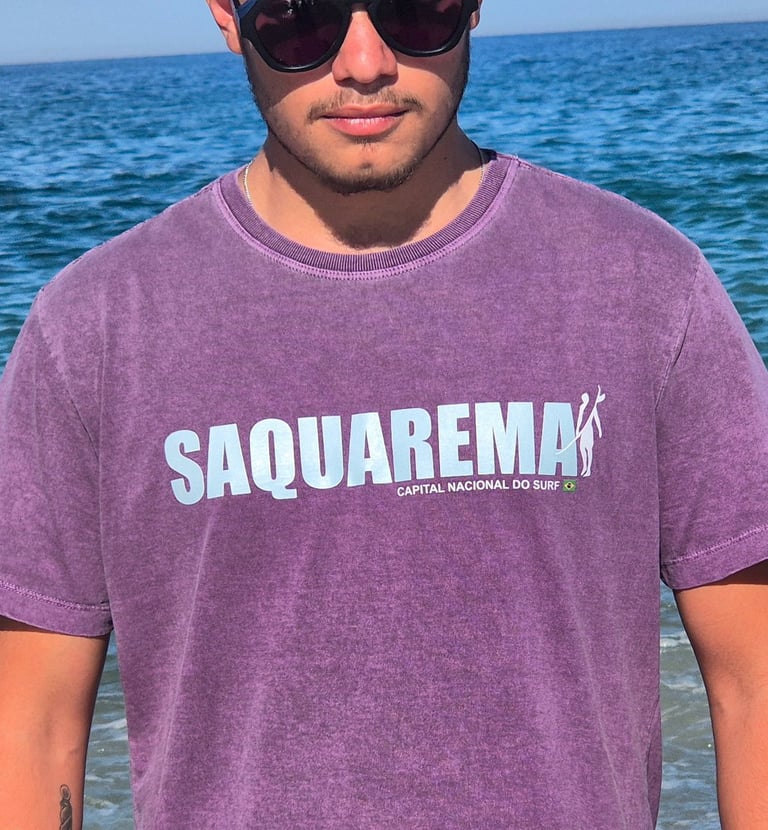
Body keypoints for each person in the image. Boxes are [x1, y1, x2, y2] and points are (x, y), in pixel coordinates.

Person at [1, 1, 767, 827]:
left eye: (413, 10)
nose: (364, 64)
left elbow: (753, 683)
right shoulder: (94, 328)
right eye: (302, 17)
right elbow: (32, 727)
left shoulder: (644, 284)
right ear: (228, 13)